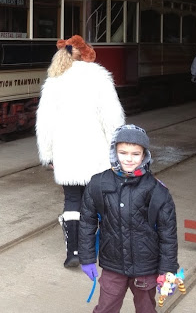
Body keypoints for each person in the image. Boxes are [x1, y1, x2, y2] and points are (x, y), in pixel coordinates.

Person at [36, 35, 125, 268]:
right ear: (86, 54)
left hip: (66, 153)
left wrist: (48, 154)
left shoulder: (54, 81)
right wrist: (117, 150)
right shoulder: (99, 78)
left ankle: (73, 252)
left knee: (72, 200)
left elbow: (44, 122)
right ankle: (105, 252)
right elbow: (112, 119)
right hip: (96, 153)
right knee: (100, 201)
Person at [79, 124, 179, 313]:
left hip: (146, 266)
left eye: (135, 153)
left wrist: (167, 269)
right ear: (114, 152)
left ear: (144, 155)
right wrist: (86, 257)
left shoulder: (158, 191)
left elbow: (168, 233)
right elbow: (87, 223)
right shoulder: (98, 184)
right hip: (113, 264)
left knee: (146, 309)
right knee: (106, 308)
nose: (129, 159)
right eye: (123, 152)